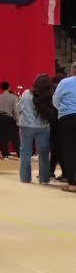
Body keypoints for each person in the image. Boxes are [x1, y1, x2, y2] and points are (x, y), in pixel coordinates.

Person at [18, 74, 54, 185]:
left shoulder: (26, 94)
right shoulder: (49, 96)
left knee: (25, 152)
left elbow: (19, 108)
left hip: (26, 126)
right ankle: (44, 179)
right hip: (43, 127)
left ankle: (25, 178)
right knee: (43, 153)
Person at [52, 61, 76, 193]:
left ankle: (73, 183)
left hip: (68, 117)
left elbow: (55, 100)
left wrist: (63, 109)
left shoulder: (65, 83)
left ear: (72, 70)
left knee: (69, 150)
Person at [0, 81, 19, 158]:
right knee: (15, 137)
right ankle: (19, 153)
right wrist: (17, 119)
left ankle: (5, 154)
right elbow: (15, 110)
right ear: (9, 87)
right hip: (10, 118)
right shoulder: (14, 97)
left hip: (1, 118)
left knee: (3, 137)